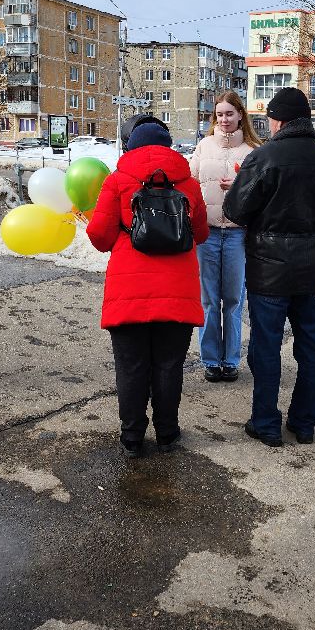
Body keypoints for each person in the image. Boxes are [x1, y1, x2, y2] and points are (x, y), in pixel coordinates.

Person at [223, 87, 315, 447]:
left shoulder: (264, 157)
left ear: (278, 120)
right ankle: (305, 424)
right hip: (311, 268)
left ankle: (266, 423)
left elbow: (235, 211)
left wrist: (239, 189)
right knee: (310, 346)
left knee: (266, 345)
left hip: (268, 269)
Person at [87, 119, 209, 456]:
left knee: (132, 367)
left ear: (131, 146)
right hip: (178, 291)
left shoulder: (116, 182)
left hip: (128, 292)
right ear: (168, 147)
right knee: (169, 366)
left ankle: (132, 438)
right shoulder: (190, 185)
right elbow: (201, 235)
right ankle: (168, 434)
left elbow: (98, 237)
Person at [190, 91, 261, 382]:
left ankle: (230, 360)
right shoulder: (203, 146)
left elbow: (262, 193)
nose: (224, 119)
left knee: (232, 300)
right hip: (206, 234)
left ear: (240, 115)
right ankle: (210, 360)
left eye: (229, 113)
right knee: (208, 301)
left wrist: (241, 185)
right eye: (219, 114)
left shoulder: (253, 151)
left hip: (236, 234)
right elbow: (189, 182)